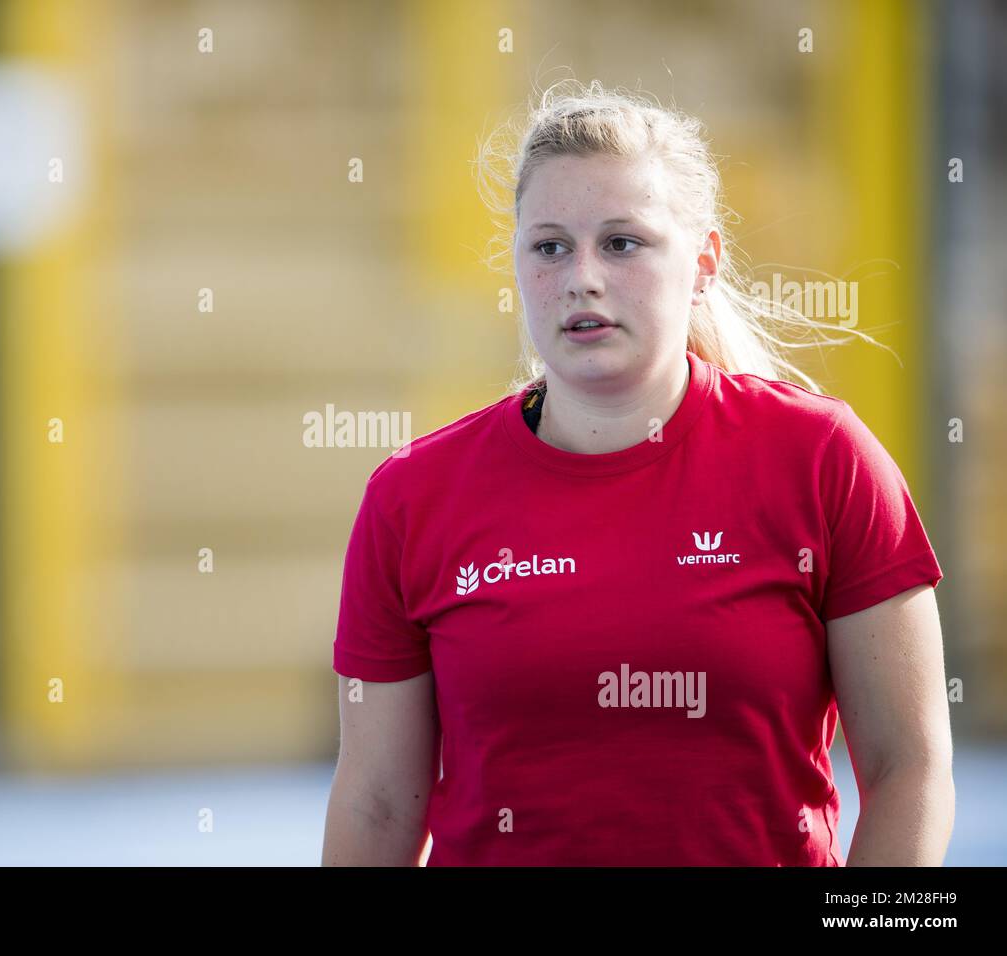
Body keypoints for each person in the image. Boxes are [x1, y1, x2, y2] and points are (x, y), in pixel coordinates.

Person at [321, 79, 953, 866]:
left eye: (622, 243)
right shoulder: (412, 496)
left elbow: (908, 769)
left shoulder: (823, 458)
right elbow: (378, 803)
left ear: (704, 264)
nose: (582, 277)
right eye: (550, 246)